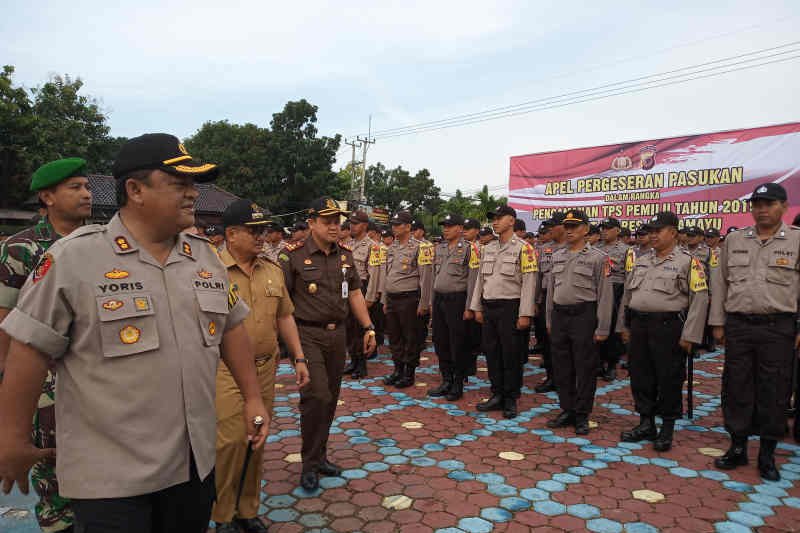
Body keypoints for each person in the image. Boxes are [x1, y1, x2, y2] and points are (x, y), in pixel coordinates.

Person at [0, 133, 269, 532]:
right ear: (135, 190)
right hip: (113, 476)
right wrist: (12, 438)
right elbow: (29, 350)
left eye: (193, 185)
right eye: (179, 184)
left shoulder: (204, 259)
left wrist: (251, 398)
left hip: (193, 465)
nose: (192, 194)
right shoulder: (75, 257)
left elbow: (231, 329)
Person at [0, 157, 91, 533]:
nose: (86, 194)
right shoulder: (21, 249)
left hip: (93, 377)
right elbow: (4, 323)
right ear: (47, 196)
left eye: (87, 186)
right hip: (44, 384)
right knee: (53, 469)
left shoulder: (98, 245)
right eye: (75, 187)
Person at [213, 200, 310, 533]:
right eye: (253, 231)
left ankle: (247, 509)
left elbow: (285, 315)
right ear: (231, 234)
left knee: (257, 436)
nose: (261, 237)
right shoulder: (210, 270)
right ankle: (222, 514)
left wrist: (298, 357)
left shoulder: (272, 269)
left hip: (267, 368)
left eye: (263, 230)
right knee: (229, 441)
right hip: (224, 370)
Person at [279, 197, 377, 491]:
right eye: (328, 221)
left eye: (338, 221)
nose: (335, 227)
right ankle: (308, 464)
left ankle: (320, 456)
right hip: (307, 334)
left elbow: (356, 293)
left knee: (331, 398)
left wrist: (368, 326)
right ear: (311, 223)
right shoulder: (291, 256)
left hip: (338, 336)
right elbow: (280, 303)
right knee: (317, 396)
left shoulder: (344, 255)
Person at [709, 182, 800, 481]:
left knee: (774, 390)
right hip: (739, 326)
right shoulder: (735, 240)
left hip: (779, 327)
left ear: (784, 207)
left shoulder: (797, 241)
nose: (761, 210)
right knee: (736, 387)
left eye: (769, 204)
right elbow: (720, 283)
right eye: (757, 204)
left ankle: (767, 454)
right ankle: (737, 447)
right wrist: (718, 323)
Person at [617, 211, 708, 451]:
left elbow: (700, 298)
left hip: (668, 328)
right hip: (639, 326)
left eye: (659, 230)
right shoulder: (642, 259)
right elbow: (628, 295)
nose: (653, 235)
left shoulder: (688, 262)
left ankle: (667, 429)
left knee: (669, 378)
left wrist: (691, 335)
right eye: (652, 231)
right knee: (640, 376)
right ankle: (646, 423)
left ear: (674, 233)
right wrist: (624, 325)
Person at [546, 210, 614, 435]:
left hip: (584, 316)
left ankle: (582, 413)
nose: (569, 230)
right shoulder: (557, 255)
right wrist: (549, 319)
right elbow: (550, 292)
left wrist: (603, 327)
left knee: (584, 367)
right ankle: (567, 408)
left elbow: (605, 295)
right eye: (566, 226)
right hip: (560, 315)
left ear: (586, 229)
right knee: (562, 367)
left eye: (574, 226)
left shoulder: (598, 257)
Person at [470, 205, 537, 419]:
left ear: (512, 221)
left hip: (511, 307)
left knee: (511, 354)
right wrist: (477, 306)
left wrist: (525, 313)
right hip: (490, 307)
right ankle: (497, 393)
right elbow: (481, 280)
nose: (495, 222)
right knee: (492, 352)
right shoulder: (487, 248)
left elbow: (529, 283)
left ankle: (510, 398)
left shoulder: (524, 248)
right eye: (493, 218)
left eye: (500, 218)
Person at [379, 211, 434, 388]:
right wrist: (385, 300)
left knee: (411, 338)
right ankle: (398, 370)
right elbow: (388, 275)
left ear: (408, 227)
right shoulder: (392, 247)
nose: (394, 228)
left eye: (398, 224)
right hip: (393, 298)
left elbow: (426, 277)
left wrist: (424, 303)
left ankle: (409, 373)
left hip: (409, 299)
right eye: (393, 224)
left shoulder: (420, 247)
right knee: (394, 337)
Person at [430, 213, 479, 401]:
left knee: (457, 343)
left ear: (460, 228)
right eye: (444, 226)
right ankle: (446, 379)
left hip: (457, 300)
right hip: (440, 299)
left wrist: (469, 307)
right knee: (440, 341)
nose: (445, 229)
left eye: (449, 226)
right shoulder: (440, 248)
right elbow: (435, 277)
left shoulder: (469, 249)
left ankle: (458, 383)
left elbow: (473, 280)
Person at [342, 211, 382, 379]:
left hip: (363, 288)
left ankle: (362, 365)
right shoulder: (347, 244)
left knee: (360, 329)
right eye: (351, 222)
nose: (352, 226)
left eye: (356, 223)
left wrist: (370, 297)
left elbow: (374, 274)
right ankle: (353, 360)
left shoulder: (373, 247)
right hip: (346, 288)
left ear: (365, 226)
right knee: (349, 328)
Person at [534, 213, 566, 393]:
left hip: (563, 298)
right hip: (546, 297)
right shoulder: (544, 249)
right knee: (546, 341)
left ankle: (565, 379)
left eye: (553, 226)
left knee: (563, 343)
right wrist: (535, 301)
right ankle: (551, 376)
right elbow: (538, 277)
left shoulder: (573, 248)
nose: (550, 230)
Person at [596, 217, 629, 381]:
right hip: (599, 290)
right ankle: (599, 363)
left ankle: (612, 365)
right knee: (599, 326)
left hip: (617, 290)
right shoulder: (595, 248)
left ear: (617, 230)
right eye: (602, 228)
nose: (604, 231)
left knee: (614, 330)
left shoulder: (626, 250)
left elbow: (630, 275)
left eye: (608, 228)